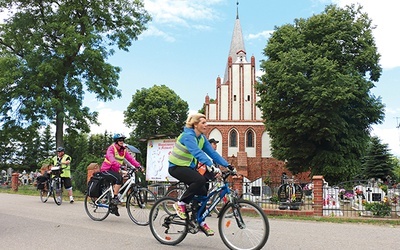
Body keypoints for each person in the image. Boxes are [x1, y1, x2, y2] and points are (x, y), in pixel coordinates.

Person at [168, 113, 234, 236]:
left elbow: (213, 153)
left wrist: (227, 165)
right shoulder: (187, 136)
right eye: (203, 122)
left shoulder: (202, 138)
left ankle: (198, 221)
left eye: (206, 122)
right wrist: (211, 166)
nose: (206, 125)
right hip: (176, 167)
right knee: (199, 180)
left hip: (188, 167)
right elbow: (197, 153)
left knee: (203, 190)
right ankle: (180, 203)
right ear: (195, 124)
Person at [101, 133, 142, 216]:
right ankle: (115, 198)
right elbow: (112, 159)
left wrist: (139, 166)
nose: (121, 141)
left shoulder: (123, 150)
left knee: (124, 184)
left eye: (123, 140)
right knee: (119, 178)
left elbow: (130, 159)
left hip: (115, 170)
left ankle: (113, 205)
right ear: (116, 141)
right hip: (106, 170)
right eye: (120, 140)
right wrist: (121, 167)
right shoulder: (111, 149)